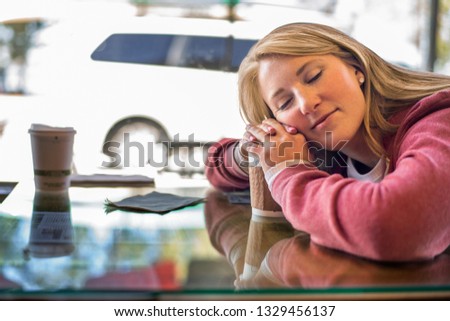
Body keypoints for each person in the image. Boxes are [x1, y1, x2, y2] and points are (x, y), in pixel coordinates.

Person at [205, 22, 450, 262]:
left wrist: (287, 173)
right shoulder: (322, 150)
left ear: (356, 67)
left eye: (314, 77)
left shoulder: (438, 120)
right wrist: (255, 149)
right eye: (285, 103)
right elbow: (214, 162)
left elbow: (396, 226)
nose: (306, 103)